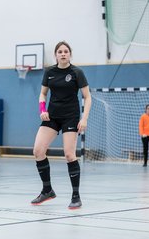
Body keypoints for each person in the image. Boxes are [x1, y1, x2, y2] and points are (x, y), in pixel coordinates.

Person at [31, 41, 92, 209]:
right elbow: (43, 94)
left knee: (69, 155)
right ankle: (47, 190)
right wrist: (42, 109)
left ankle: (76, 195)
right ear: (56, 55)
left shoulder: (77, 72)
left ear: (70, 54)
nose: (63, 54)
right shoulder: (49, 72)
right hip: (52, 116)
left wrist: (84, 118)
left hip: (70, 117)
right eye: (60, 51)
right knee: (38, 151)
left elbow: (88, 97)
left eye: (66, 51)